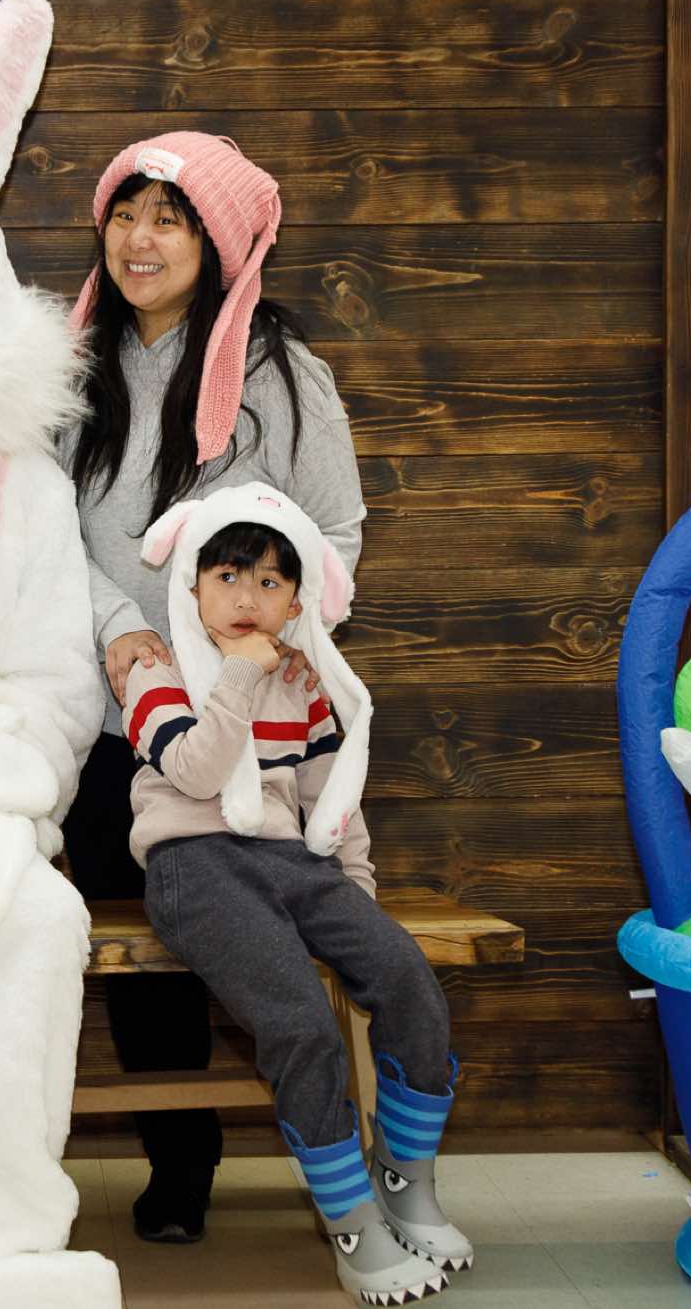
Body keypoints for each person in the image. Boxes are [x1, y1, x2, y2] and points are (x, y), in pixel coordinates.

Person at [58, 131, 366, 1243]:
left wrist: (272, 634)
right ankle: (162, 1163)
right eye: (124, 214)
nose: (138, 240)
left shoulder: (282, 376)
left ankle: (319, 1152)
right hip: (111, 719)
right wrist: (121, 631)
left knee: (236, 931)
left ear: (218, 242)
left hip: (252, 725)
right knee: (126, 943)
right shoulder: (66, 367)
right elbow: (38, 534)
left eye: (168, 220)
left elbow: (334, 532)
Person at [121, 482, 469, 1304]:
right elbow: (196, 771)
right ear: (192, 584)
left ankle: (404, 1182)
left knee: (407, 976)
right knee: (301, 1021)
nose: (247, 597)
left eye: (270, 581)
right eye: (228, 576)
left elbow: (332, 802)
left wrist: (357, 901)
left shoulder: (303, 683)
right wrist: (241, 673)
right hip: (195, 864)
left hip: (291, 861)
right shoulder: (155, 671)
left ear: (296, 600)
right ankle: (350, 1222)